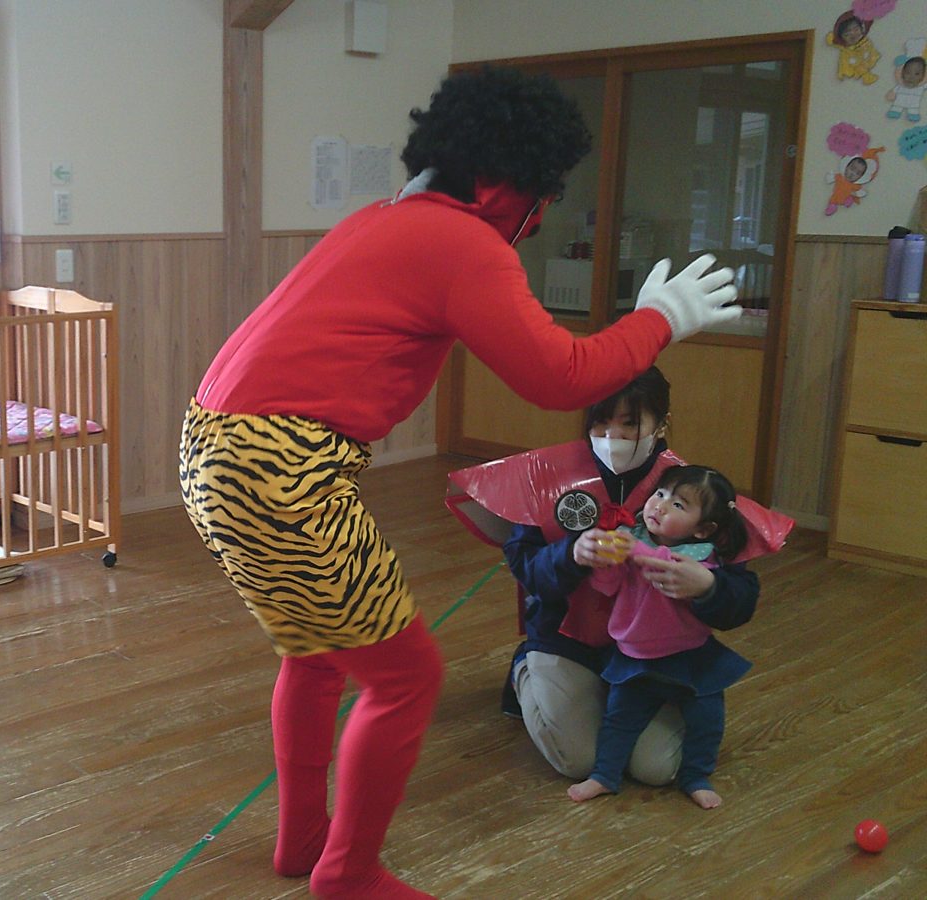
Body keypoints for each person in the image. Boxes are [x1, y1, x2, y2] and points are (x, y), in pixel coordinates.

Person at [179, 66, 740, 900]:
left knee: (316, 652)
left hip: (212, 451)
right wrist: (660, 320)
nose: (538, 217)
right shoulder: (460, 239)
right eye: (541, 196)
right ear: (505, 183)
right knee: (405, 677)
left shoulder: (380, 218)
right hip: (279, 468)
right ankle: (348, 875)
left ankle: (305, 843)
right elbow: (561, 376)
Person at [499, 367, 761, 790]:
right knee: (579, 760)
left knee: (655, 769)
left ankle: (609, 699)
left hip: (654, 655)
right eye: (601, 422)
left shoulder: (692, 489)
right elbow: (524, 564)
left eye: (630, 423)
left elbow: (742, 596)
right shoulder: (551, 475)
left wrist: (709, 587)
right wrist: (571, 554)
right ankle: (524, 670)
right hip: (568, 640)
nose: (613, 437)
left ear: (661, 424)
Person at [567, 464, 751, 810]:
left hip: (689, 657)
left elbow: (662, 563)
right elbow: (607, 587)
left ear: (703, 530)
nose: (660, 506)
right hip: (634, 655)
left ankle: (696, 776)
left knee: (707, 720)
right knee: (619, 718)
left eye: (678, 505)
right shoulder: (634, 537)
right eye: (660, 494)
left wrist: (632, 549)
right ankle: (604, 775)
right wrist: (605, 562)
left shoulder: (700, 558)